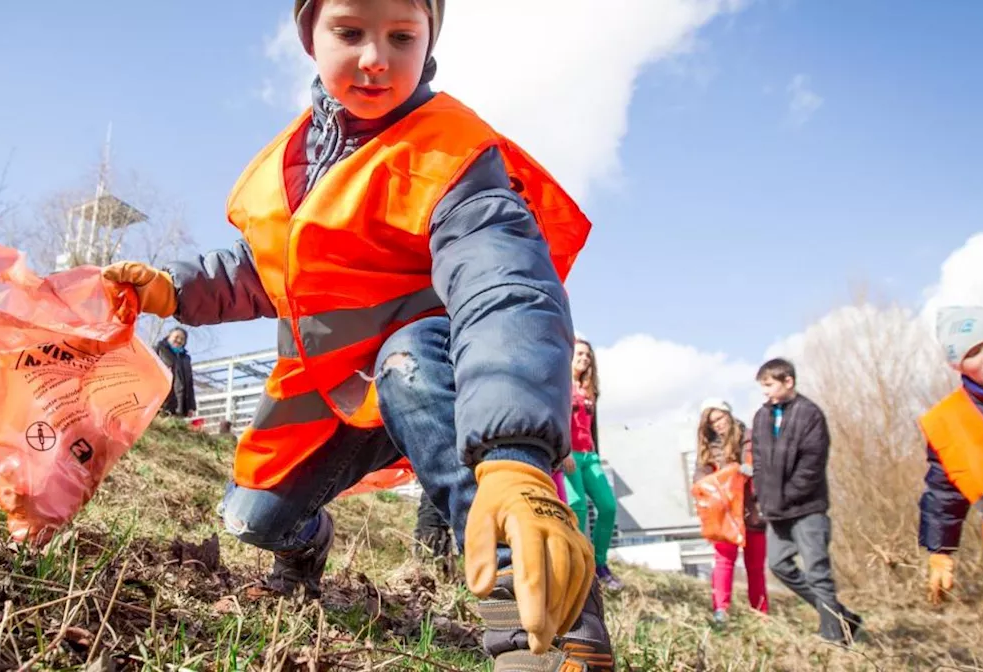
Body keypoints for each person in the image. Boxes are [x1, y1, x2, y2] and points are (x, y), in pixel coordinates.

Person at [100, 1, 612, 667]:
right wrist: (174, 291)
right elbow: (266, 267)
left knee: (416, 370)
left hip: (431, 379)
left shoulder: (454, 155)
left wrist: (514, 451)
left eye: (401, 36)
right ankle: (303, 547)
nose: (376, 58)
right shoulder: (297, 159)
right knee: (249, 517)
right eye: (350, 32)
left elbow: (502, 286)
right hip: (331, 390)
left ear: (430, 41)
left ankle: (542, 624)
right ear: (310, 36)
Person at [918, 305, 983, 671]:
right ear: (956, 365)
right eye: (973, 351)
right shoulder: (947, 422)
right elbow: (943, 493)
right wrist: (940, 550)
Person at [751, 358, 862, 644]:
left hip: (807, 509)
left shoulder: (810, 414)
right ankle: (841, 617)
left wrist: (785, 498)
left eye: (770, 385)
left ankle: (833, 638)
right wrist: (763, 499)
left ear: (788, 381)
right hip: (775, 510)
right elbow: (760, 463)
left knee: (817, 573)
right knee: (778, 565)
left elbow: (812, 465)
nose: (765, 393)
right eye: (762, 387)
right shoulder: (761, 417)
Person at [694, 398, 767, 624]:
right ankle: (721, 610)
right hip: (725, 515)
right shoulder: (708, 449)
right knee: (724, 562)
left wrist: (752, 471)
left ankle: (761, 613)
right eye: (711, 422)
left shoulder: (751, 438)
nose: (717, 424)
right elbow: (700, 479)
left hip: (753, 510)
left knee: (755, 566)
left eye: (720, 418)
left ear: (729, 414)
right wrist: (724, 476)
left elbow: (767, 464)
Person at [561, 336, 623, 592]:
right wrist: (563, 450)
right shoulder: (561, 382)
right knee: (576, 506)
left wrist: (597, 452)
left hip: (590, 455)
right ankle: (577, 564)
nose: (584, 358)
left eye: (588, 355)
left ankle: (600, 564)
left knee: (607, 506)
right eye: (580, 353)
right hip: (569, 454)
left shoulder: (590, 390)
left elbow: (592, 426)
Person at [154, 327, 197, 417]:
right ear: (169, 337)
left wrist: (191, 406)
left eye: (182, 339)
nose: (179, 340)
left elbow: (189, 383)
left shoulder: (185, 359)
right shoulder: (159, 349)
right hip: (162, 398)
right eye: (176, 337)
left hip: (179, 401)